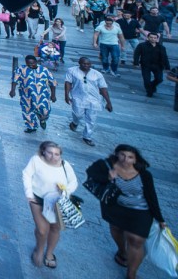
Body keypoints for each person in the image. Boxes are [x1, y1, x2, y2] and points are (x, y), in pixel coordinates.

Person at [87, 144, 166, 279]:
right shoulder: (105, 165)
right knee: (117, 230)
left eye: (130, 157)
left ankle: (131, 274)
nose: (125, 159)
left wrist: (160, 218)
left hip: (141, 210)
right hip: (115, 208)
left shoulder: (144, 175)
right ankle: (122, 251)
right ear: (116, 154)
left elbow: (152, 197)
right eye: (122, 155)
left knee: (135, 240)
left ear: (135, 160)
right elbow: (91, 174)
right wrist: (108, 177)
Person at [21, 141, 78, 269]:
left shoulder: (65, 165)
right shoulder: (36, 160)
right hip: (38, 199)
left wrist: (66, 191)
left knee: (55, 228)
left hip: (57, 201)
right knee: (42, 230)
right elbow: (26, 174)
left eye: (57, 154)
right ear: (43, 152)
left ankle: (50, 253)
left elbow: (73, 182)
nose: (53, 157)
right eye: (50, 153)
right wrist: (29, 193)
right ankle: (39, 250)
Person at [64, 57, 112, 146]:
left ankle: (87, 136)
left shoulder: (97, 74)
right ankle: (75, 122)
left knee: (91, 119)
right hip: (78, 97)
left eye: (88, 64)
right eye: (84, 64)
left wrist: (108, 102)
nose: (86, 65)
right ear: (79, 63)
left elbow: (103, 88)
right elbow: (68, 83)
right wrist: (66, 95)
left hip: (94, 100)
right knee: (77, 114)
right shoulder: (72, 71)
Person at [9, 55, 56, 133]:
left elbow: (53, 83)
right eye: (28, 64)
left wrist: (53, 95)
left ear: (36, 62)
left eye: (32, 63)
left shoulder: (44, 70)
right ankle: (31, 126)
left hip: (42, 95)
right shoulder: (21, 69)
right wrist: (12, 90)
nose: (30, 65)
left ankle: (42, 120)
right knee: (27, 111)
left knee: (45, 111)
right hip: (26, 95)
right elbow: (15, 80)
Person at [133, 31, 169, 97]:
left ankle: (152, 86)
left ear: (157, 39)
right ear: (148, 38)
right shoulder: (142, 45)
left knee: (159, 79)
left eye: (155, 38)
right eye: (151, 37)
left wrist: (167, 67)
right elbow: (137, 54)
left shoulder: (161, 47)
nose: (153, 39)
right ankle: (149, 92)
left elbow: (165, 57)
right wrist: (136, 62)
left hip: (158, 65)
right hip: (146, 65)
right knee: (146, 80)